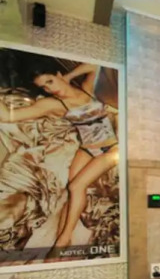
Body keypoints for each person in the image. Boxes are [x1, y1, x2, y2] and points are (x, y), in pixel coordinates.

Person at [0, 62, 118, 257]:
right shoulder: (53, 104)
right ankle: (64, 240)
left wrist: (69, 77)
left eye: (50, 81)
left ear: (58, 74)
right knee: (70, 191)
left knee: (76, 187)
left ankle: (63, 240)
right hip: (87, 149)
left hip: (112, 149)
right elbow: (8, 117)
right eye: (44, 87)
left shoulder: (86, 89)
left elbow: (94, 66)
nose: (50, 89)